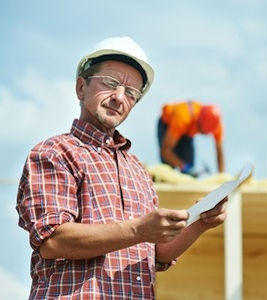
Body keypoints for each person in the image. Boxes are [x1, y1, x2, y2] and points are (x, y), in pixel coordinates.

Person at [16, 36, 227, 299]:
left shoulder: (137, 169)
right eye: (110, 83)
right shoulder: (54, 153)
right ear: (81, 87)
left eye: (131, 93)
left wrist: (199, 224)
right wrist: (138, 229)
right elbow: (54, 241)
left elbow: (157, 253)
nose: (119, 97)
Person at [157, 100, 225, 176]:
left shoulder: (216, 126)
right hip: (168, 126)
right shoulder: (183, 119)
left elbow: (219, 151)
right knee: (168, 169)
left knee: (190, 175)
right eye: (201, 131)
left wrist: (221, 177)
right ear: (198, 122)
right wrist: (185, 167)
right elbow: (165, 151)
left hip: (187, 132)